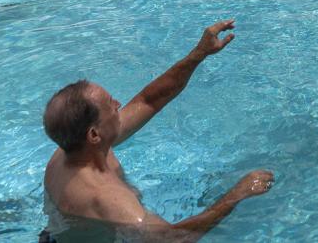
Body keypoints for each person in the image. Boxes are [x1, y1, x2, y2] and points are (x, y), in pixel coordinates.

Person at [41, 19, 274, 242]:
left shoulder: (74, 147)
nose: (119, 105)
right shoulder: (108, 200)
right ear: (93, 134)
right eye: (110, 105)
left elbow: (149, 99)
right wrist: (238, 193)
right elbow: (173, 239)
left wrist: (199, 53)